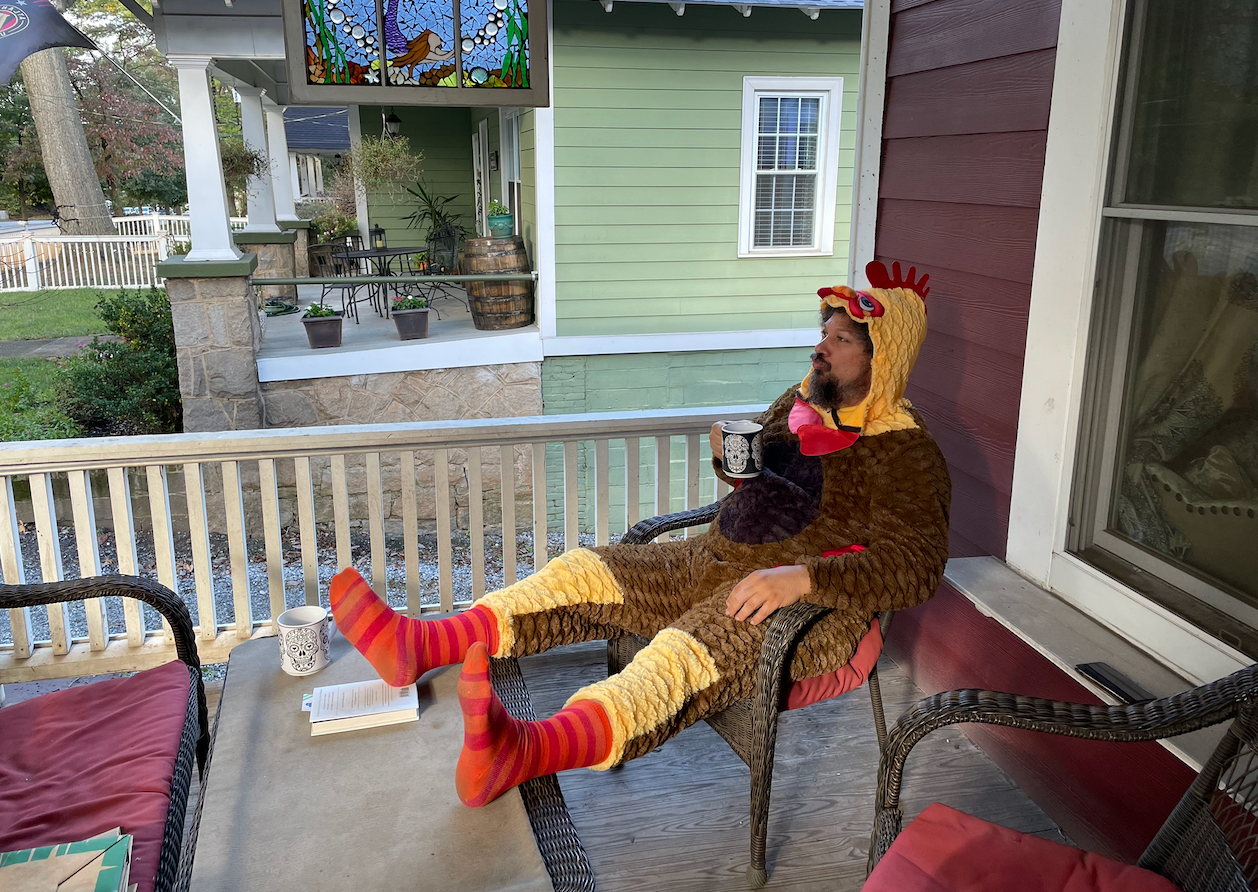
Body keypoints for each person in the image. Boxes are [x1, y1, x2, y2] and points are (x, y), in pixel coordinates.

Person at [329, 260, 951, 808]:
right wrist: (728, 456)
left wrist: (803, 578)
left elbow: (916, 565)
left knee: (678, 659)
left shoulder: (904, 451)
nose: (821, 347)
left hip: (801, 608)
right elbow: (758, 476)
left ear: (882, 358)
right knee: (589, 570)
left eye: (841, 339)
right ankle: (424, 643)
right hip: (711, 559)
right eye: (823, 331)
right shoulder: (802, 400)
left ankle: (523, 751)